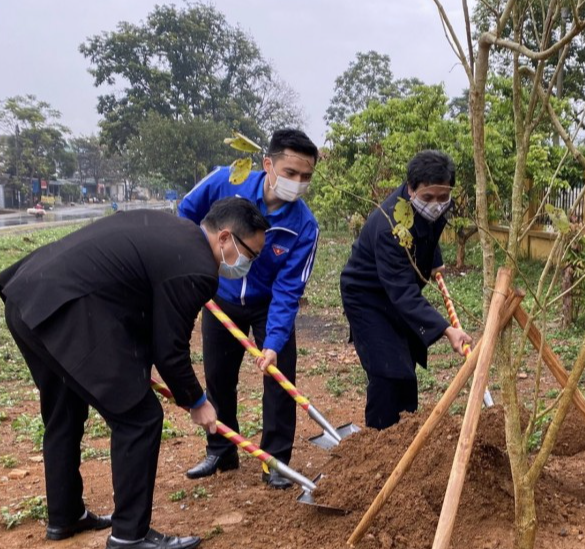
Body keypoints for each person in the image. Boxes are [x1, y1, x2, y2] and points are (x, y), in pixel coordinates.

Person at [0, 198, 269, 549]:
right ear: (225, 238)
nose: (251, 262)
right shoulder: (198, 267)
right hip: (66, 311)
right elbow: (169, 350)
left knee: (65, 410)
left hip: (29, 297)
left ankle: (65, 516)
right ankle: (129, 536)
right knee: (140, 418)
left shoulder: (176, 233)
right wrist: (197, 402)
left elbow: (142, 316)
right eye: (252, 253)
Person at [178, 129, 320, 489]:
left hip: (268, 304)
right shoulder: (225, 181)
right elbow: (185, 216)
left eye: (306, 177)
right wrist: (199, 270)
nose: (298, 183)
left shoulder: (304, 226)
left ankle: (276, 460)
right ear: (268, 164)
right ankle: (221, 450)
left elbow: (289, 289)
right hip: (219, 296)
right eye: (291, 173)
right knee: (219, 377)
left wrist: (272, 342)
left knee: (279, 376)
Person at [340, 150, 473, 430]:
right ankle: (379, 440)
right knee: (388, 371)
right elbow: (402, 292)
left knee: (405, 367)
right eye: (428, 198)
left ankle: (404, 432)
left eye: (443, 197)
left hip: (397, 289)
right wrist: (447, 330)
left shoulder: (430, 204)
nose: (436, 205)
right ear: (411, 189)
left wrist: (434, 261)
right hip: (368, 297)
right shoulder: (392, 225)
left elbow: (430, 230)